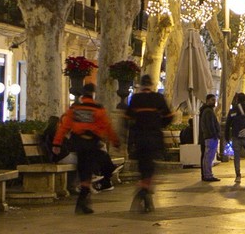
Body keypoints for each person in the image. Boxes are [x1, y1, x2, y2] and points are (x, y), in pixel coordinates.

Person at [52, 84, 120, 214]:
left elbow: (64, 127)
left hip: (78, 142)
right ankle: (84, 198)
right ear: (93, 93)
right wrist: (115, 141)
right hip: (92, 142)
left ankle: (82, 200)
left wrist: (56, 144)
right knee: (89, 167)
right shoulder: (98, 109)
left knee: (84, 168)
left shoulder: (75, 109)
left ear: (83, 95)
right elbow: (107, 126)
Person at [125, 75, 174, 212]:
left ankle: (145, 194)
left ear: (141, 85)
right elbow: (169, 116)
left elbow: (127, 119)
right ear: (152, 85)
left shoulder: (135, 98)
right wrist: (159, 124)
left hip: (139, 138)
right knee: (150, 167)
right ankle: (144, 191)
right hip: (154, 137)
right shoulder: (158, 98)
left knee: (143, 166)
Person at [198, 94, 221, 182]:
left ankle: (206, 174)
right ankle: (208, 175)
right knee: (208, 157)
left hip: (208, 137)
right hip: (210, 137)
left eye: (215, 100)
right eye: (212, 100)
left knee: (206, 156)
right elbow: (210, 125)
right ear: (207, 100)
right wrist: (215, 134)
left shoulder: (207, 110)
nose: (214, 102)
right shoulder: (208, 111)